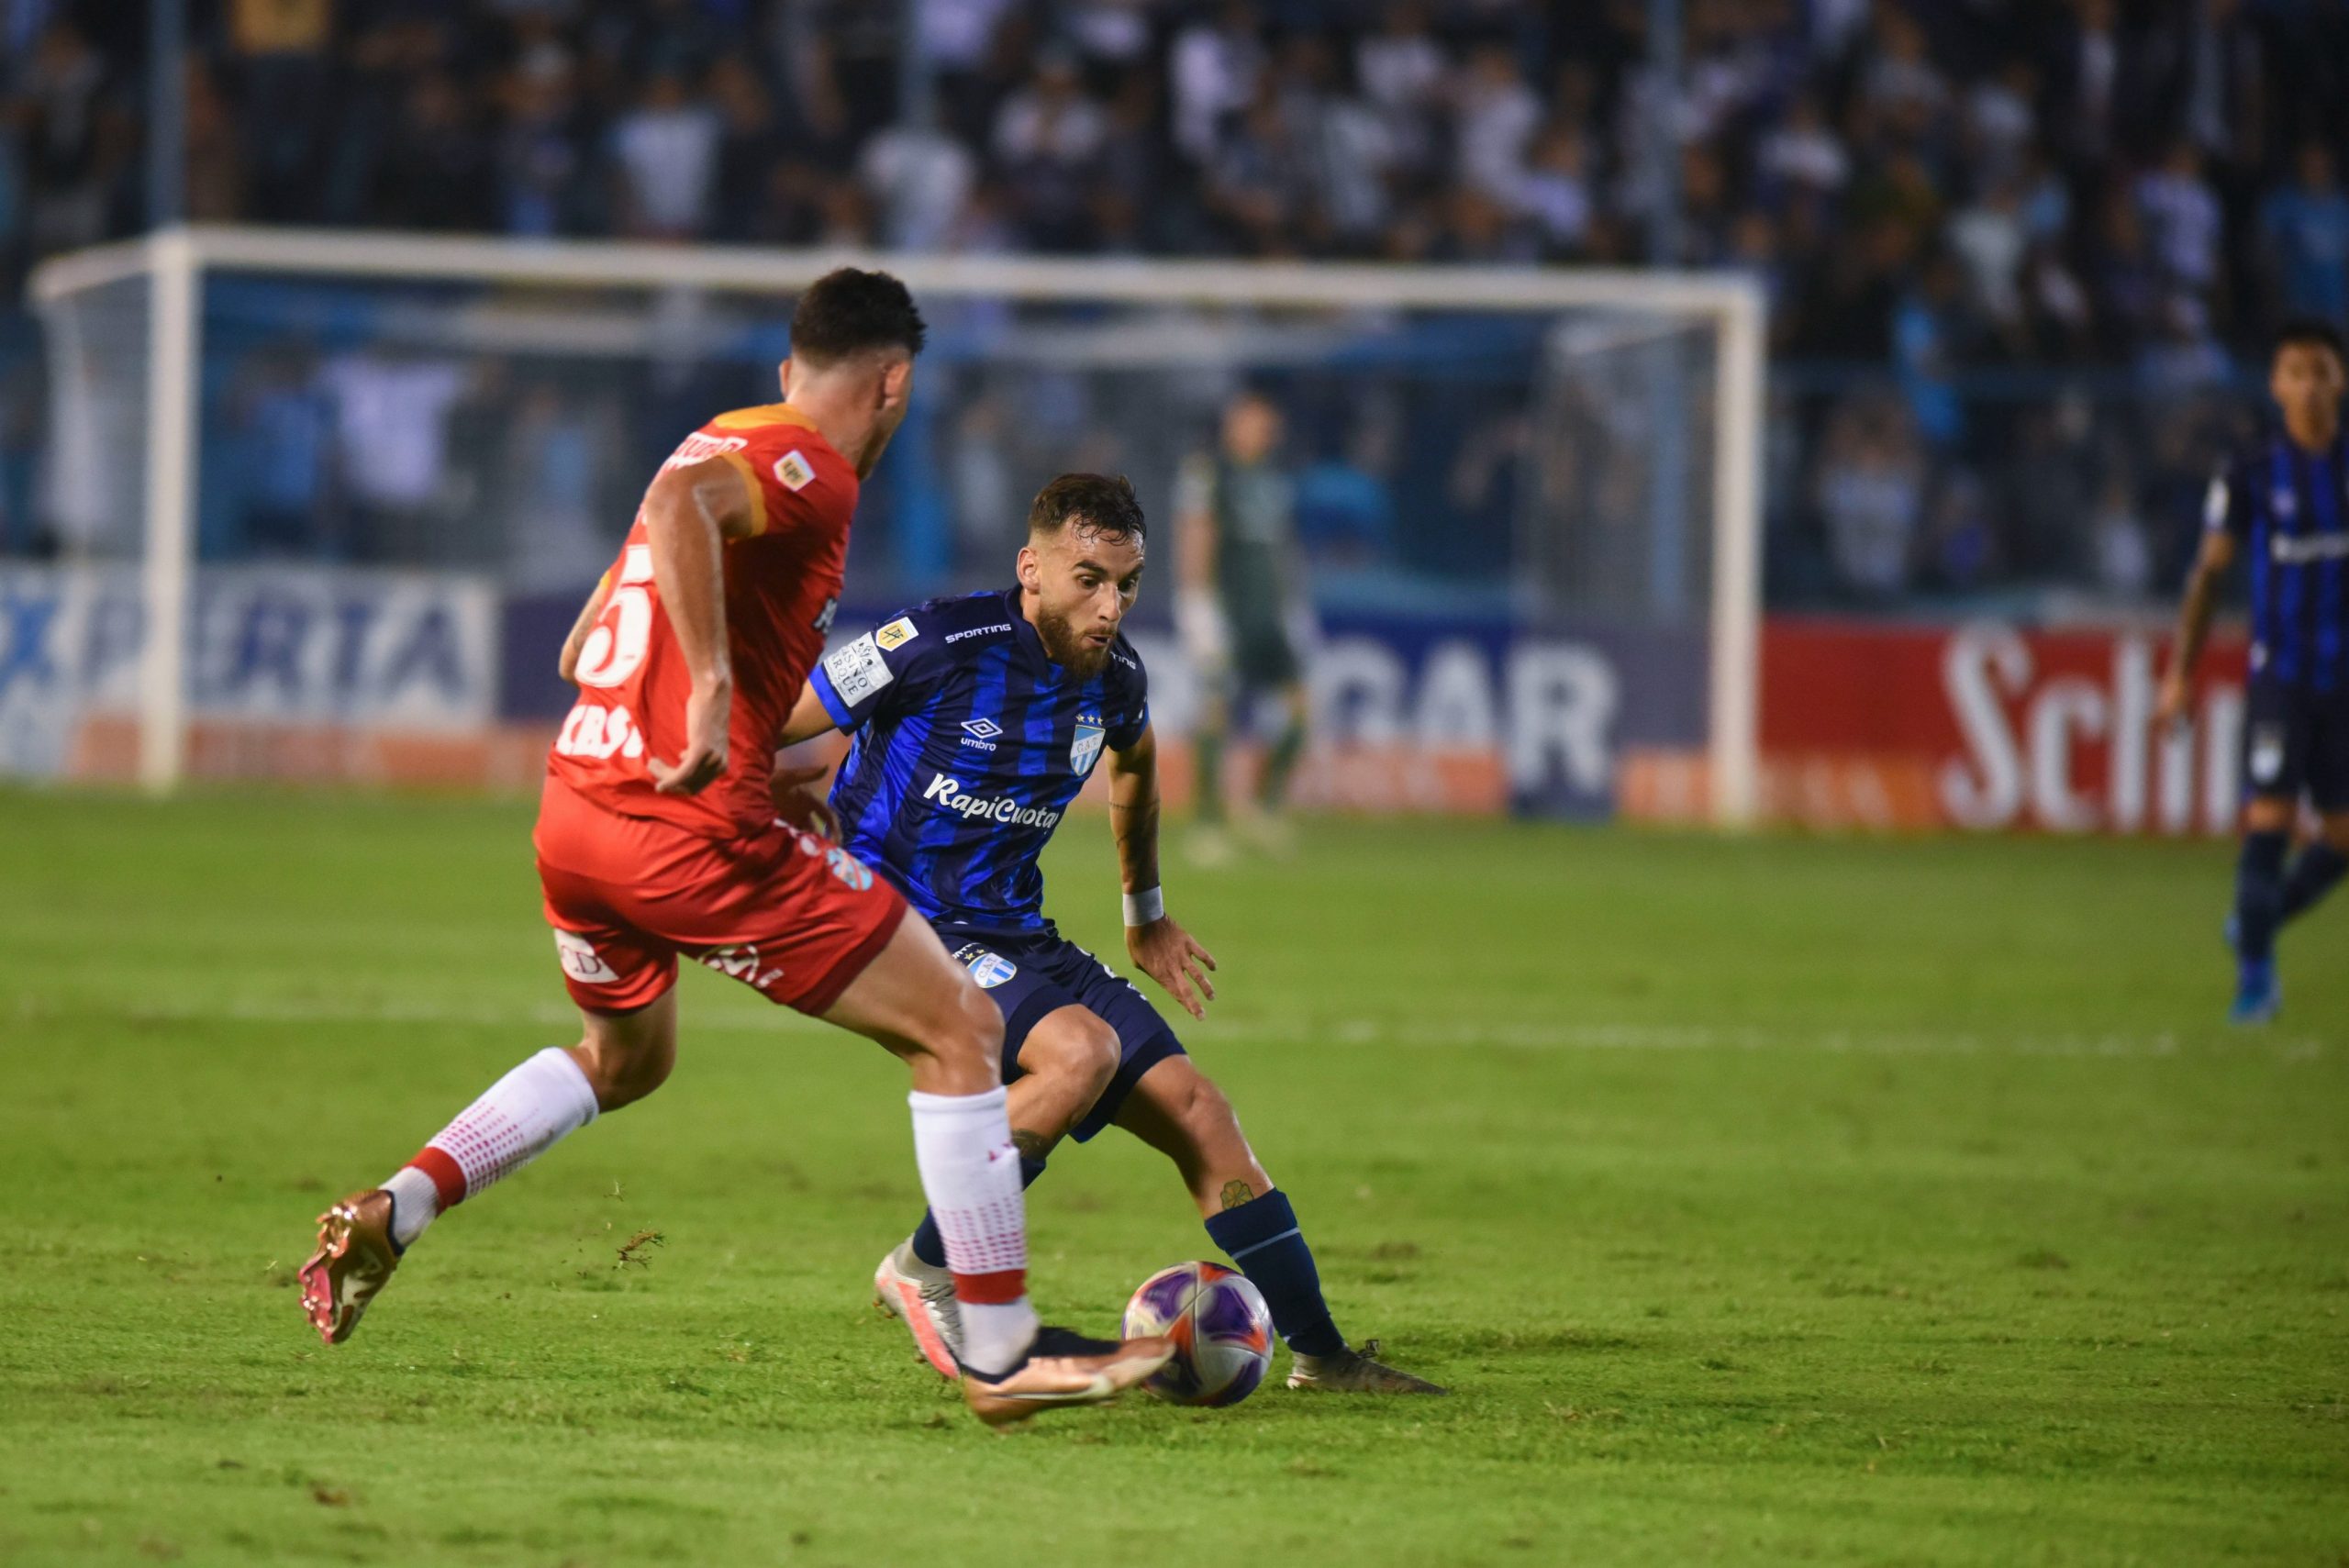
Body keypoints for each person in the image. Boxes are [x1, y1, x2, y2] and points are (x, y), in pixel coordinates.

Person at [295, 270, 1170, 1426]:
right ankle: (997, 1348)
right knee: (958, 1024)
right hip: (685, 829)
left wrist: (742, 734)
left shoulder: (713, 438)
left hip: (578, 812)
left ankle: (398, 1204)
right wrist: (713, 689)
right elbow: (682, 519)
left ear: (786, 367)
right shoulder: (809, 469)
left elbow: (582, 643)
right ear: (896, 381)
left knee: (627, 1060)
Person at [772, 472, 1444, 1395]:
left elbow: (1136, 763)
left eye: (1126, 583)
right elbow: (772, 724)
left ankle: (1323, 1358)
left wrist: (1146, 913)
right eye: (1088, 577)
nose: (1109, 604)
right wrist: (763, 788)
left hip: (1016, 930)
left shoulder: (1115, 678)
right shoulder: (935, 641)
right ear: (1031, 567)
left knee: (1202, 1115)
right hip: (906, 924)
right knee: (1076, 1055)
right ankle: (927, 1267)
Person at [2157, 317, 2349, 1024]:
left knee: (2341, 839)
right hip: (2282, 677)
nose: (2307, 385)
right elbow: (2208, 576)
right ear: (2274, 384)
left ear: (2341, 380)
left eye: (2319, 370)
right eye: (2293, 371)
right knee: (2267, 818)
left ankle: (2254, 924)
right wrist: (2179, 674)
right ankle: (2256, 977)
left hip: (2346, 684)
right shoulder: (2252, 469)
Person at [1176, 388, 1313, 862]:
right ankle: (1207, 824)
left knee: (1301, 711)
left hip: (1269, 611)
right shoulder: (1209, 472)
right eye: (1252, 421)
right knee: (1216, 708)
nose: (1260, 431)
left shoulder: (1274, 478)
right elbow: (1195, 535)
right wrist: (1196, 603)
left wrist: (1292, 603)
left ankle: (1263, 808)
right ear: (1233, 423)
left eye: (1266, 423)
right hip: (1225, 610)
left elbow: (1282, 548)